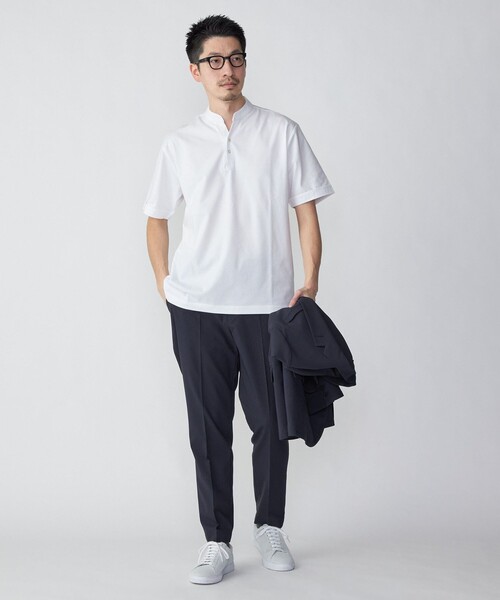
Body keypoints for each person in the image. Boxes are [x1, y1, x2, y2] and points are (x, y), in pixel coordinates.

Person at [143, 14, 334, 585]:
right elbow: (156, 218)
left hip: (267, 305)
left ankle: (269, 526)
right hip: (197, 308)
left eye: (236, 58)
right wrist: (165, 283)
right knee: (208, 428)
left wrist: (311, 278)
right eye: (215, 61)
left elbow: (306, 211)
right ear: (195, 71)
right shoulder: (179, 144)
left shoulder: (281, 132)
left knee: (271, 423)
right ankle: (217, 540)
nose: (227, 69)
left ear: (245, 63)